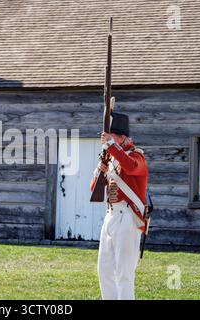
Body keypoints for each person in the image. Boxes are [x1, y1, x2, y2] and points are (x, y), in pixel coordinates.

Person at [90, 112, 148, 300]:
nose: (105, 139)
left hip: (128, 217)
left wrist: (111, 147)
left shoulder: (137, 156)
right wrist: (101, 171)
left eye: (111, 136)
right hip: (110, 216)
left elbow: (131, 166)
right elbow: (93, 189)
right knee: (104, 270)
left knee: (124, 273)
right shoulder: (112, 158)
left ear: (121, 137)